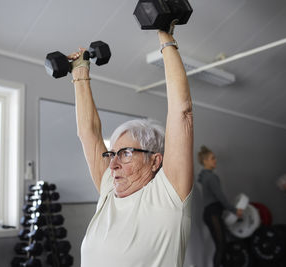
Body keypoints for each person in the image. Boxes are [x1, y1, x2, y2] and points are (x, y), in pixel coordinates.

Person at [68, 28, 193, 267]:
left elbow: (182, 113)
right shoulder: (109, 190)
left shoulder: (167, 197)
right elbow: (89, 135)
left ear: (155, 161)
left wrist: (165, 37)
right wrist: (79, 71)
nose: (113, 164)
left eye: (125, 154)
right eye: (112, 153)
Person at [197, 146, 243, 267]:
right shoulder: (211, 177)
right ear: (205, 161)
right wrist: (234, 210)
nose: (215, 160)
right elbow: (220, 197)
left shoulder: (205, 177)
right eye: (212, 158)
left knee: (221, 245)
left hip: (211, 213)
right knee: (221, 246)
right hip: (213, 214)